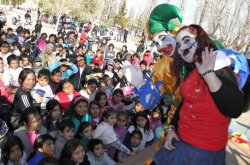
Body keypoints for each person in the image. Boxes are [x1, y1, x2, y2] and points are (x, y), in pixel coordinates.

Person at [153, 24, 244, 165]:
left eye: (187, 40)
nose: (182, 47)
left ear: (201, 39)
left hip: (203, 153)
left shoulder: (218, 64)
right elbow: (186, 102)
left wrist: (208, 74)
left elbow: (235, 109)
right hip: (181, 143)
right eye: (178, 44)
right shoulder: (192, 68)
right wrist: (171, 128)